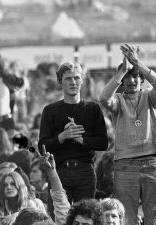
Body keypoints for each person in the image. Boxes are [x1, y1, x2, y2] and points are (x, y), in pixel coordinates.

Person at [99, 44, 156, 225]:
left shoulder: (150, 97)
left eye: (135, 77)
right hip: (125, 165)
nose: (131, 81)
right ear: (122, 82)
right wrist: (122, 71)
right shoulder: (119, 101)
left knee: (155, 216)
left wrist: (139, 64)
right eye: (127, 78)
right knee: (127, 217)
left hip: (152, 163)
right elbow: (103, 99)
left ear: (141, 79)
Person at [38, 62, 108, 204]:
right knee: (60, 216)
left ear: (82, 80)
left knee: (86, 216)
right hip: (59, 171)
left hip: (86, 171)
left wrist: (80, 139)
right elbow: (42, 147)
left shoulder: (92, 108)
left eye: (76, 78)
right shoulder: (50, 110)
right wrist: (63, 136)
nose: (73, 82)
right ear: (60, 83)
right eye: (68, 78)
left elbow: (103, 143)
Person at [0, 52, 24, 131]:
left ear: (0, 64)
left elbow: (22, 83)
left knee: (10, 142)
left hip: (7, 121)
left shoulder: (7, 78)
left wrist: (16, 94)